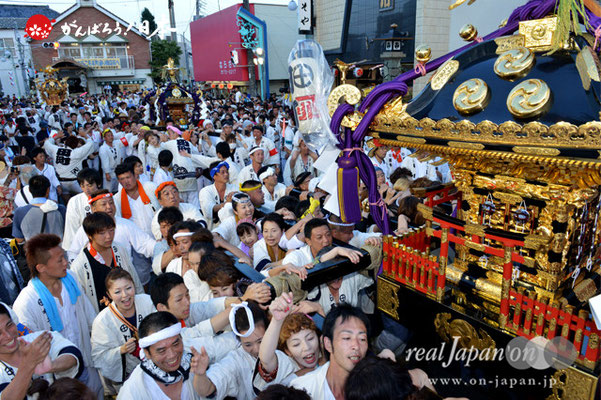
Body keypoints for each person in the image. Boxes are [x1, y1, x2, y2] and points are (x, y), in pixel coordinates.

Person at [12, 234, 103, 398]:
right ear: (41, 268)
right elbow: (30, 348)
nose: (66, 262)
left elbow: (90, 316)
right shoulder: (26, 303)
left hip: (85, 362)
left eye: (64, 257)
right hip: (56, 378)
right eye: (59, 260)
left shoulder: (71, 279)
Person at [191, 301, 298, 399]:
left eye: (260, 341)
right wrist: (200, 375)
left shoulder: (289, 343)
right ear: (238, 340)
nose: (256, 349)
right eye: (248, 344)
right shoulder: (236, 360)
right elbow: (207, 390)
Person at [67, 190, 156, 287]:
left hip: (123, 280)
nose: (109, 207)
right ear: (93, 208)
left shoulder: (126, 225)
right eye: (104, 204)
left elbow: (146, 244)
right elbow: (73, 254)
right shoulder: (85, 229)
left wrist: (162, 248)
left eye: (111, 203)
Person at [0, 303, 83, 400]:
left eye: (9, 325)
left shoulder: (37, 339)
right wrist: (28, 365)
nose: (8, 336)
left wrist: (53, 365)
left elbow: (72, 354)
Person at [91, 269, 155, 390]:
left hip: (156, 364)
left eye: (128, 288)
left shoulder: (147, 302)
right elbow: (99, 356)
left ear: (134, 286)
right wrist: (121, 350)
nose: (125, 295)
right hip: (130, 375)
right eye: (117, 292)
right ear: (109, 295)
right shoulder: (102, 321)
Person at [290, 304, 370, 399]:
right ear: (328, 344)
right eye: (346, 338)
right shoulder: (303, 389)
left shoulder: (375, 388)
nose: (356, 346)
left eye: (362, 339)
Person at [70, 212, 144, 313]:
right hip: (102, 315)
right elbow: (82, 304)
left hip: (129, 310)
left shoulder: (119, 249)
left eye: (111, 230)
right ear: (90, 235)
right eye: (102, 233)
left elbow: (134, 279)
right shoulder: (80, 266)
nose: (108, 236)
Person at [117, 312, 200, 399]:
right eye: (162, 351)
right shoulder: (133, 390)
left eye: (175, 344)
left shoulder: (192, 363)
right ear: (147, 353)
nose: (172, 355)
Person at [259, 293, 325, 383]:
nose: (307, 347)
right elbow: (266, 360)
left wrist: (319, 309)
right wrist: (276, 321)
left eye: (310, 338)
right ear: (288, 351)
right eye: (296, 344)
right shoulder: (286, 365)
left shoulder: (326, 351)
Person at [12, 175, 66, 243]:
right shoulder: (60, 209)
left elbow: (19, 239)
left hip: (33, 249)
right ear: (48, 190)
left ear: (29, 190)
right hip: (57, 248)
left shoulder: (20, 212)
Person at [43, 130, 95, 195]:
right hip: (74, 182)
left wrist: (56, 137)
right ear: (76, 145)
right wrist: (85, 135)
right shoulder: (76, 152)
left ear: (65, 143)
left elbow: (47, 143)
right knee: (84, 197)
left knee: (66, 199)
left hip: (61, 182)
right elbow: (91, 144)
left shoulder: (56, 150)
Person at [114, 162, 159, 236]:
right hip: (135, 239)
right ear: (119, 181)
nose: (126, 181)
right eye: (122, 179)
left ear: (135, 176)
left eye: (128, 177)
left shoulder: (150, 188)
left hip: (157, 236)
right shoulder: (117, 200)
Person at [62, 168, 102, 251]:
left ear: (98, 184)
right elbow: (71, 228)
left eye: (90, 185)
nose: (86, 189)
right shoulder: (75, 201)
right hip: (82, 245)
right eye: (83, 186)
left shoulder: (108, 199)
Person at [198, 161, 236, 229]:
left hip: (232, 227)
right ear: (214, 176)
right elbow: (207, 210)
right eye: (222, 172)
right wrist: (226, 204)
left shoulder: (234, 188)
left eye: (227, 171)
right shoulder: (205, 191)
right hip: (212, 229)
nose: (226, 174)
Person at [99, 129, 124, 193]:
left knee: (117, 190)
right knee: (108, 191)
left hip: (117, 170)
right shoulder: (103, 148)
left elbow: (120, 156)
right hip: (109, 172)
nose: (111, 137)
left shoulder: (116, 144)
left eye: (111, 135)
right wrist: (107, 173)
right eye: (108, 136)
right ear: (104, 138)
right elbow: (105, 162)